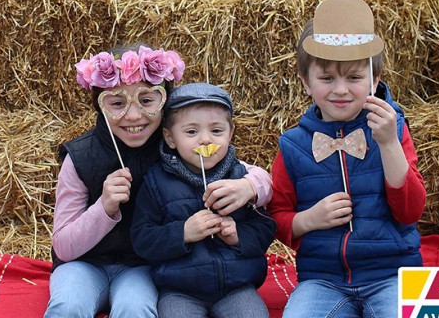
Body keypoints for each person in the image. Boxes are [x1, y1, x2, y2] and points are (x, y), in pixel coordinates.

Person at [45, 46, 273, 318]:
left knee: (136, 308)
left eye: (147, 101)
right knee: (68, 306)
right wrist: (104, 208)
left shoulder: (179, 146)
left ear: (164, 103)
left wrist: (248, 187)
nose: (132, 116)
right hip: (82, 264)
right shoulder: (81, 157)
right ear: (100, 106)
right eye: (117, 103)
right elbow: (64, 247)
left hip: (140, 267)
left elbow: (255, 176)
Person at [267, 0, 426, 318]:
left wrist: (388, 144)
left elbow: (410, 212)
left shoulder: (392, 130)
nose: (340, 89)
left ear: (374, 79)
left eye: (354, 77)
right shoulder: (293, 145)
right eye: (327, 78)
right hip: (322, 280)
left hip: (392, 275)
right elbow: (277, 217)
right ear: (306, 83)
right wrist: (308, 220)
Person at [131, 83, 276, 318]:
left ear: (230, 133)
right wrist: (183, 232)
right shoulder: (157, 181)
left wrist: (238, 235)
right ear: (170, 138)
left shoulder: (240, 178)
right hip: (179, 290)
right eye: (191, 132)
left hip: (237, 286)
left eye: (216, 131)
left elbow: (266, 227)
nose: (205, 141)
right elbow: (142, 239)